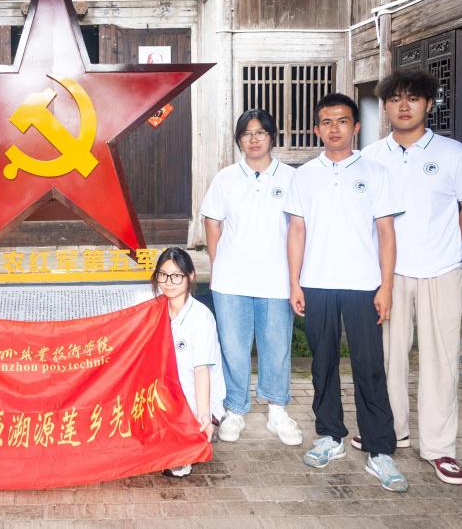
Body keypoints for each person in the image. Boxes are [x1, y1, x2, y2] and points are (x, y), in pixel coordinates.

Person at [359, 69, 462, 485]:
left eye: (413, 98)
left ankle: (439, 447)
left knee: (440, 360)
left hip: (440, 271)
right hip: (389, 275)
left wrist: (442, 241)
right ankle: (392, 431)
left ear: (429, 104)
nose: (403, 106)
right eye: (395, 98)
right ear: (385, 106)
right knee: (388, 357)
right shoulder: (371, 156)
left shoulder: (453, 154)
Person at [284, 93, 410, 493]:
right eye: (326, 121)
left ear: (356, 127)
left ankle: (379, 448)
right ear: (316, 129)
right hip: (317, 283)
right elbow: (297, 231)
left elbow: (387, 233)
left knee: (369, 365)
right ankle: (330, 435)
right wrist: (295, 282)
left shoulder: (376, 172)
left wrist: (386, 286)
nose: (334, 128)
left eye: (342, 121)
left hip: (362, 284)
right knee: (322, 362)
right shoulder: (304, 176)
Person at [201, 109, 302, 446]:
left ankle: (277, 411)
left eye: (260, 132)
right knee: (233, 347)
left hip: (276, 279)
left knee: (277, 346)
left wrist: (296, 279)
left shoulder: (291, 178)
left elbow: (298, 228)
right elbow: (212, 223)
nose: (254, 139)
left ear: (272, 136)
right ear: (239, 140)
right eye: (246, 134)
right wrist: (218, 265)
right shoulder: (226, 178)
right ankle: (235, 410)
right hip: (232, 281)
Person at [151, 247, 227, 478]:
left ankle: (199, 429)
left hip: (195, 395)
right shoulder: (154, 310)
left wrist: (203, 414)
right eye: (163, 275)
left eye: (176, 276)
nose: (168, 282)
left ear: (190, 276)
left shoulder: (201, 317)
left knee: (176, 456)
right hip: (165, 392)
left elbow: (201, 370)